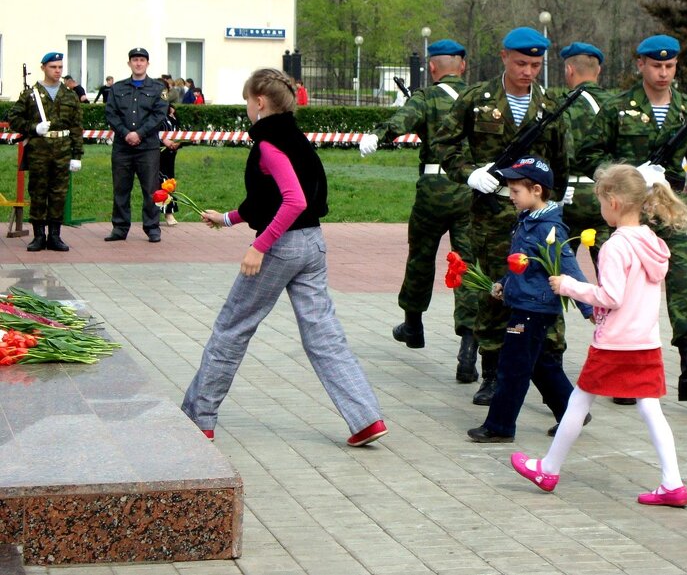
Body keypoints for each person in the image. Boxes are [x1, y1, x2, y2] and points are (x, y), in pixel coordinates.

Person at [183, 69, 387, 447]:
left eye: (248, 101)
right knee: (323, 333)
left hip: (282, 246)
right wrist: (227, 218)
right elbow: (270, 198)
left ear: (260, 102)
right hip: (313, 244)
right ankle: (365, 418)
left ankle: (199, 417)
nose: (247, 108)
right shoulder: (297, 139)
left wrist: (258, 247)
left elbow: (294, 200)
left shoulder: (268, 144)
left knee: (232, 327)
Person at [511, 163, 687, 506]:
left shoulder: (615, 246)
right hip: (646, 341)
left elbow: (612, 296)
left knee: (578, 400)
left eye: (599, 202)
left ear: (614, 201)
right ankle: (673, 482)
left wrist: (571, 286)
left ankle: (548, 468)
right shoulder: (651, 242)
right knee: (651, 409)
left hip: (615, 343)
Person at [577, 34, 687, 402]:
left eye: (669, 66)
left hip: (671, 206)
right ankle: (622, 377)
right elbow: (585, 154)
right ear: (640, 64)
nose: (663, 73)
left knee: (683, 285)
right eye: (656, 65)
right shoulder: (617, 107)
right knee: (623, 292)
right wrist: (622, 173)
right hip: (630, 210)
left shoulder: (685, 108)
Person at [435, 27, 570, 407]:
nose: (528, 71)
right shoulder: (476, 99)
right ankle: (492, 372)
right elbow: (444, 145)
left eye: (536, 64)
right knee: (496, 290)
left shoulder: (550, 106)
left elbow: (561, 161)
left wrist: (555, 211)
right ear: (504, 57)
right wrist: (469, 173)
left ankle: (552, 379)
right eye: (521, 63)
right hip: (492, 212)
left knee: (546, 289)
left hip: (539, 217)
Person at [360, 39, 480, 383]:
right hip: (472, 187)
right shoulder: (477, 99)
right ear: (463, 65)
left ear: (431, 68)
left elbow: (400, 121)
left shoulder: (425, 99)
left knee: (421, 257)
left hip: (433, 190)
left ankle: (413, 326)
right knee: (467, 265)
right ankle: (468, 349)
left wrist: (376, 136)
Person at [466, 157, 591, 443]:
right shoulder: (527, 222)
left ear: (537, 190)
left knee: (512, 367)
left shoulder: (550, 229)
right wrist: (504, 284)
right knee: (540, 364)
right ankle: (573, 412)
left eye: (515, 191)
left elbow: (569, 268)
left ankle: (500, 426)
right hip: (523, 303)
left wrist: (588, 306)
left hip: (533, 308)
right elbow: (520, 265)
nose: (510, 197)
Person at [6, 52, 83, 252]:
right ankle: (39, 236)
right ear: (43, 68)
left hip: (63, 149)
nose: (57, 71)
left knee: (58, 193)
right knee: (38, 192)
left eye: (60, 67)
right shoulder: (31, 94)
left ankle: (55, 236)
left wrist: (77, 155)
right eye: (53, 67)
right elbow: (13, 118)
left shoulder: (69, 95)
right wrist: (33, 128)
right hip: (39, 150)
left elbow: (76, 127)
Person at [556, 42, 613, 266]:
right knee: (609, 269)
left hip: (569, 193)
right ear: (598, 70)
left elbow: (560, 151)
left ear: (569, 70)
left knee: (558, 267)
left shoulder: (562, 106)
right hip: (609, 193)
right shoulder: (616, 104)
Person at [104, 48, 169, 243]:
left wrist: (139, 133)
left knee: (151, 190)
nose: (138, 63)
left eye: (142, 60)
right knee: (121, 189)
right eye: (135, 60)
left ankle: (152, 228)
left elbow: (159, 115)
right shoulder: (117, 88)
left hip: (147, 147)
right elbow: (111, 114)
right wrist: (126, 134)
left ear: (147, 64)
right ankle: (120, 227)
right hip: (123, 147)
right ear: (129, 63)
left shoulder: (158, 89)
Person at [160, 103, 182, 226]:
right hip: (157, 153)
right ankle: (167, 213)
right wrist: (163, 140)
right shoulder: (157, 116)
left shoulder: (171, 118)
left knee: (169, 182)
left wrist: (177, 143)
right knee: (162, 181)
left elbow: (178, 134)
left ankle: (168, 211)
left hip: (170, 154)